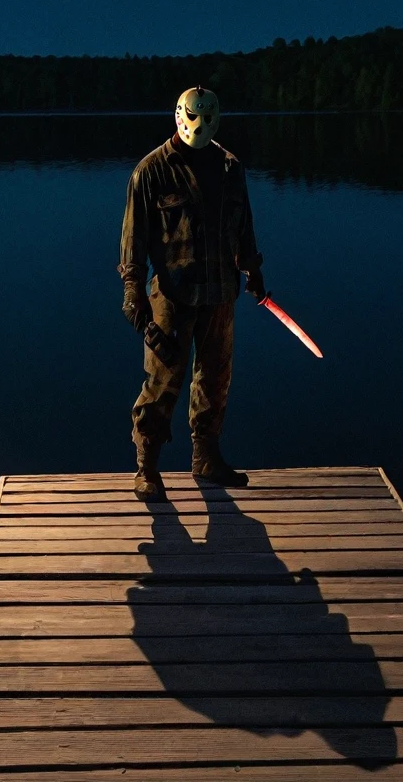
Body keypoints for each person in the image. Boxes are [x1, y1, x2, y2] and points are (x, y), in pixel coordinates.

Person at [118, 86, 266, 500]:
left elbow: (244, 224)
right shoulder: (151, 171)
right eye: (192, 117)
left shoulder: (229, 168)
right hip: (173, 295)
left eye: (207, 117)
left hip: (220, 292)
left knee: (215, 377)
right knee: (163, 380)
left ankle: (206, 456)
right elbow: (133, 239)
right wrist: (133, 292)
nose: (199, 126)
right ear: (180, 116)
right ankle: (147, 466)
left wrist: (252, 268)